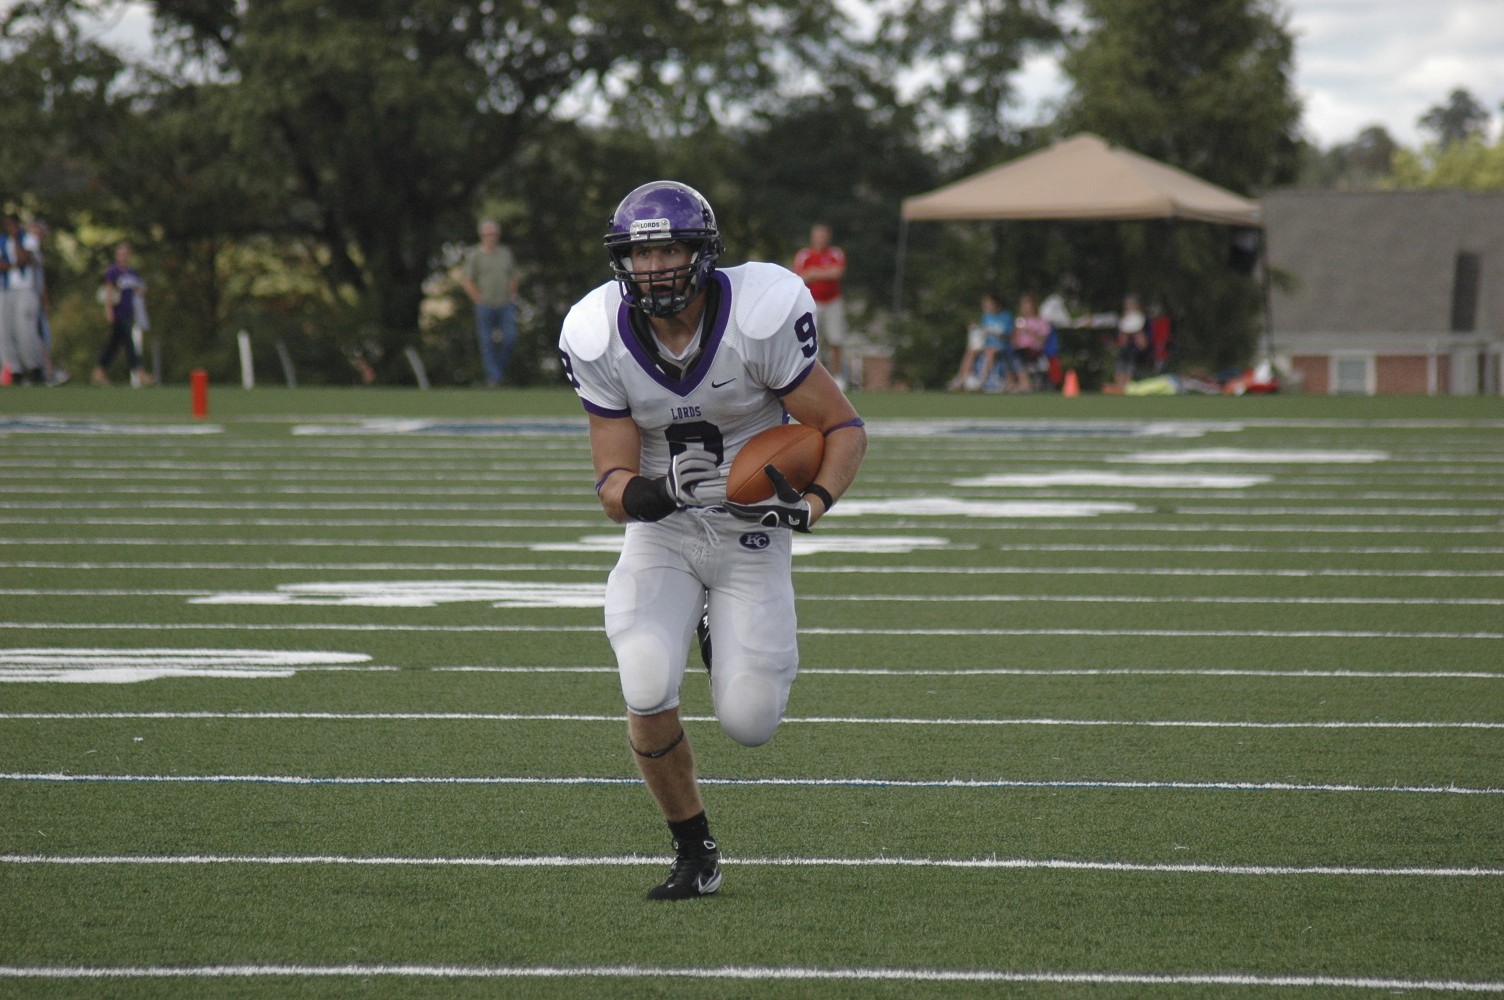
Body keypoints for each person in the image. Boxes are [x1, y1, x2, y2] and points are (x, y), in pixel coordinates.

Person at [557, 181, 867, 901]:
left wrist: (813, 503)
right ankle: (694, 850)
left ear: (702, 254)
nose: (655, 266)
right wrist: (653, 492)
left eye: (669, 249)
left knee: (751, 722)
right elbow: (611, 485)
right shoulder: (599, 332)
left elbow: (844, 427)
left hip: (750, 530)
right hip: (663, 530)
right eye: (640, 252)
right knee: (644, 677)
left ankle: (713, 623)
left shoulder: (758, 318)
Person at [460, 219, 520, 387]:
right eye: (487, 234)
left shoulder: (505, 253)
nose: (490, 238)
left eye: (493, 234)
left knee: (510, 337)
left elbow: (513, 275)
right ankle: (494, 379)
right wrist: (478, 299)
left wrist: (512, 295)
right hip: (485, 305)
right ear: (481, 236)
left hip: (505, 304)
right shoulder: (475, 255)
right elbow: (467, 280)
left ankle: (497, 373)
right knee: (487, 343)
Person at [792, 223, 848, 387]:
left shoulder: (835, 253)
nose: (821, 239)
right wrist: (824, 272)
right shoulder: (805, 255)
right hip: (812, 303)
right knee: (812, 341)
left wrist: (815, 272)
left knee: (835, 339)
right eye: (818, 235)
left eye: (823, 235)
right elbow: (801, 276)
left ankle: (837, 377)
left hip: (832, 302)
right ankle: (813, 378)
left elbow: (836, 272)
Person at [92, 242, 153, 387]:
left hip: (128, 312)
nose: (123, 257)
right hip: (118, 312)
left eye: (126, 254)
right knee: (129, 342)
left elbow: (140, 290)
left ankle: (99, 372)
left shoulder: (132, 273)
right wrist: (108, 310)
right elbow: (108, 291)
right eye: (121, 254)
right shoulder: (113, 271)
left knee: (113, 345)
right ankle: (140, 371)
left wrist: (142, 290)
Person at [0, 213, 46, 385]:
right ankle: (14, 369)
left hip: (25, 290)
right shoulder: (2, 241)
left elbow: (23, 259)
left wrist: (16, 240)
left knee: (25, 330)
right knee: (5, 331)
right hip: (5, 289)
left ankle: (34, 367)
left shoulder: (28, 239)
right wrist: (12, 265)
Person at [947, 292, 1015, 392]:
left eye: (988, 303)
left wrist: (992, 333)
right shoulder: (986, 316)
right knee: (971, 350)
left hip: (1002, 346)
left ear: (995, 303)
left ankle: (981, 382)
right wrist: (976, 328)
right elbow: (983, 333)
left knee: (991, 352)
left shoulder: (1006, 316)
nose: (985, 306)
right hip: (987, 344)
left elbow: (1009, 336)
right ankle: (962, 378)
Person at [1011, 293, 1052, 391]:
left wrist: (1029, 331)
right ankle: (1014, 382)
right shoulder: (1020, 321)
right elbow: (1013, 340)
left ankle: (1025, 383)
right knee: (1008, 353)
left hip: (1034, 350)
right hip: (1020, 349)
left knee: (1018, 355)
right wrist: (1015, 332)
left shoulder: (1041, 322)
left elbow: (1043, 340)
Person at [1113, 294, 1149, 390]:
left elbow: (1143, 345)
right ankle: (1120, 386)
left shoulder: (1143, 320)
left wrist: (1137, 332)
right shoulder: (1124, 321)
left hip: (1137, 354)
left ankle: (1127, 385)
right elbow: (1122, 342)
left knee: (1130, 362)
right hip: (1125, 351)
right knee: (1121, 362)